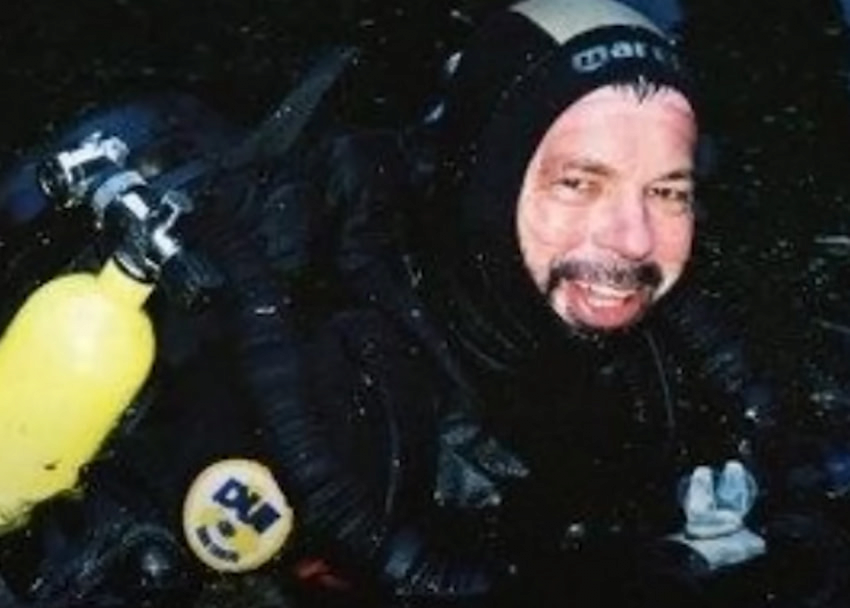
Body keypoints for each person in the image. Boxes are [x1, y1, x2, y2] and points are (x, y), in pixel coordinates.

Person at [1, 0, 850, 606]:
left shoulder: (671, 348)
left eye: (668, 191)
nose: (632, 238)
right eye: (579, 182)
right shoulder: (325, 386)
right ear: (487, 182)